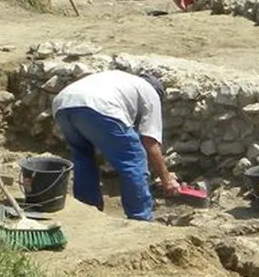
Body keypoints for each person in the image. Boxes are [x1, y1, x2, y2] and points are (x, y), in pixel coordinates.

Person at [51, 71, 180, 221]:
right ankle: (141, 217)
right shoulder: (151, 94)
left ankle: (88, 210)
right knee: (134, 160)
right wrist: (167, 180)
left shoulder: (123, 80)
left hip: (63, 104)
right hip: (99, 106)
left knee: (83, 156)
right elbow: (150, 142)